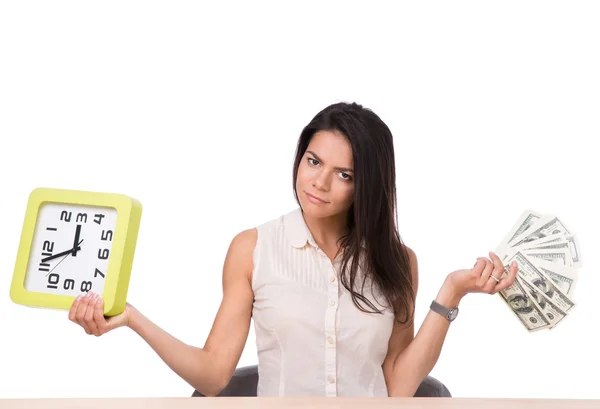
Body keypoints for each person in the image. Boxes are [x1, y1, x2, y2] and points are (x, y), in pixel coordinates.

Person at [68, 101, 519, 397]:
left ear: (368, 186)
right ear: (300, 158)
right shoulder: (253, 248)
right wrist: (132, 318)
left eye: (344, 174)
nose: (320, 182)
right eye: (313, 161)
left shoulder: (397, 262)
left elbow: (397, 387)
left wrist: (450, 295)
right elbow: (213, 374)